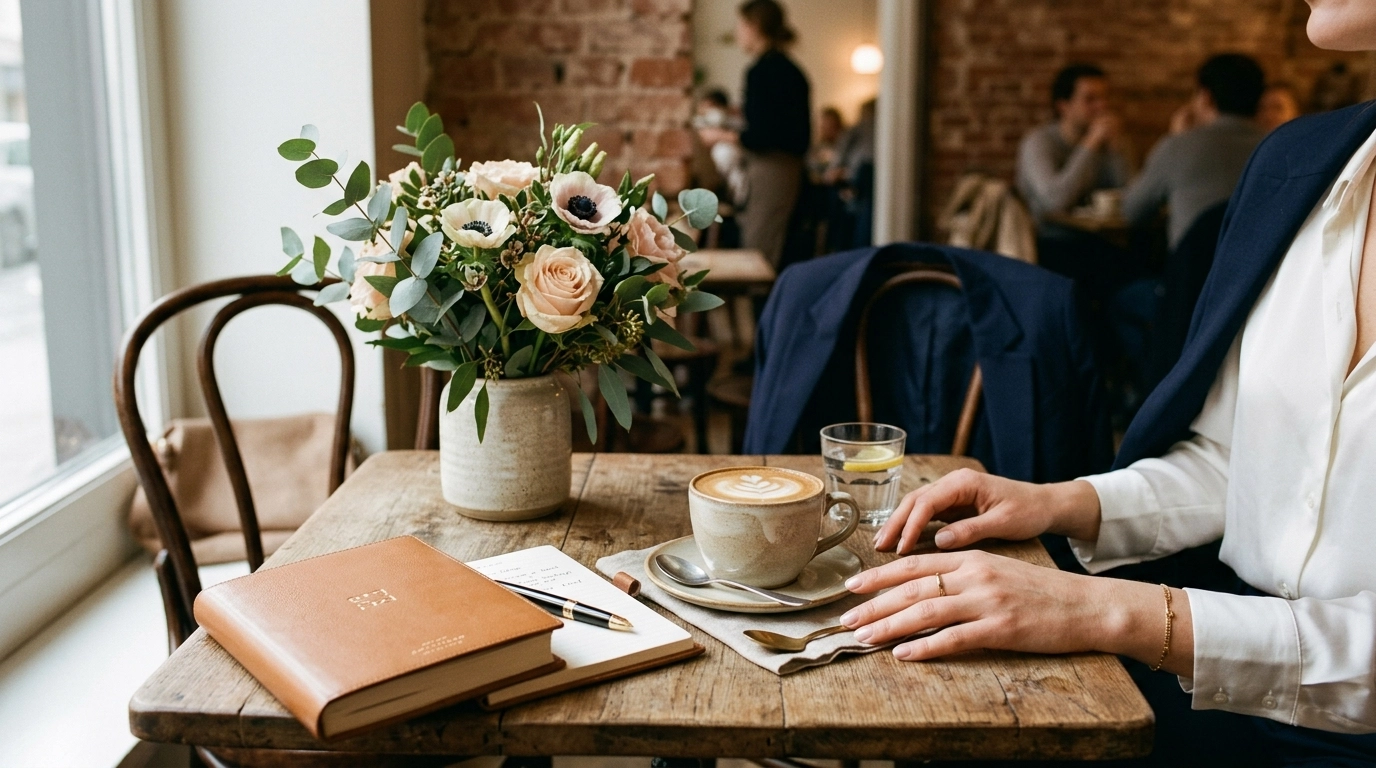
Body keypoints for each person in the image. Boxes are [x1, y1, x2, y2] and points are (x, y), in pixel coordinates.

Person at [838, 2, 1376, 762]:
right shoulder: (1301, 162)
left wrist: (1108, 610)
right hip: (1209, 683)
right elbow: (1234, 462)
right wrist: (1059, 502)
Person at [1122, 54, 1267, 249]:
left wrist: (1177, 141)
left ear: (1206, 97)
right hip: (1259, 266)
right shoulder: (1279, 148)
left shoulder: (1177, 146)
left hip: (1193, 267)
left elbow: (1133, 211)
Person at [734, 0, 810, 268]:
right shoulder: (790, 69)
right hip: (785, 170)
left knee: (760, 250)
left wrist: (725, 136)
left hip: (773, 169)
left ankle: (761, 298)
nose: (738, 32)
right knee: (768, 244)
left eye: (741, 25)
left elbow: (762, 134)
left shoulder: (763, 71)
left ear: (755, 27)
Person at [1016, 64, 1130, 221]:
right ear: (1063, 106)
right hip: (1049, 233)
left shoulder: (1112, 139)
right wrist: (1091, 143)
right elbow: (1054, 202)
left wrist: (1116, 152)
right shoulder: (1038, 142)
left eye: (1105, 97)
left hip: (1101, 232)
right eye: (1090, 99)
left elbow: (1132, 199)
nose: (1102, 106)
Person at [808, 106, 845, 182]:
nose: (827, 129)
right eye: (824, 126)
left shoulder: (846, 146)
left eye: (831, 126)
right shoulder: (817, 148)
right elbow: (810, 168)